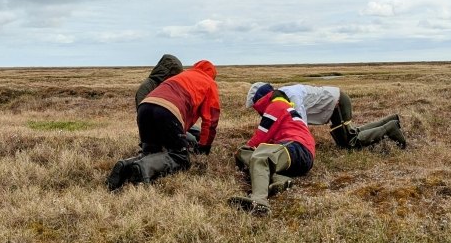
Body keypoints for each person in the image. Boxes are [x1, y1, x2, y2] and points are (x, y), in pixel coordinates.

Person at [106, 60, 220, 190]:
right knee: (180, 157)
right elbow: (211, 120)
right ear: (212, 75)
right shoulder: (210, 83)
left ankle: (125, 165)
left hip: (145, 107)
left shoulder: (183, 75)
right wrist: (205, 146)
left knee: (151, 152)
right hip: (168, 110)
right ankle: (144, 167)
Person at [229, 84, 316, 215]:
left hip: (297, 147)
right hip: (298, 152)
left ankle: (259, 201)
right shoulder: (283, 106)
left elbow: (260, 138)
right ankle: (280, 179)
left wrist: (242, 151)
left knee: (260, 157)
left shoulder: (275, 106)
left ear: (260, 100)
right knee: (252, 153)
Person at [245, 82, 406, 149]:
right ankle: (390, 120)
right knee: (352, 133)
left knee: (349, 142)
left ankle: (390, 128)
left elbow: (300, 123)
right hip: (334, 103)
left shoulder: (291, 96)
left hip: (337, 103)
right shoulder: (283, 95)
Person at [133, 54, 199, 149]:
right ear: (168, 72)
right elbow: (144, 119)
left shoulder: (168, 85)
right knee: (192, 140)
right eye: (175, 75)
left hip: (174, 120)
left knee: (198, 132)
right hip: (161, 125)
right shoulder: (146, 88)